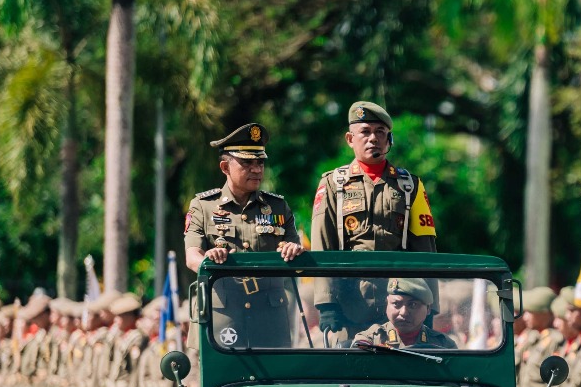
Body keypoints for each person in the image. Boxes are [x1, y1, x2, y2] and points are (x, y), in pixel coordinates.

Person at [311, 102, 438, 335]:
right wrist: (326, 303)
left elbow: (426, 250)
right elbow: (322, 246)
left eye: (380, 132)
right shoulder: (332, 184)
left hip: (400, 304)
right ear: (350, 139)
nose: (373, 138)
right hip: (347, 304)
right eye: (365, 132)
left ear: (389, 139)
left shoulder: (410, 185)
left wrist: (430, 306)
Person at [183, 123, 305, 349]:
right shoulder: (203, 206)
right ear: (225, 167)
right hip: (223, 315)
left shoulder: (278, 207)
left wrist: (292, 250)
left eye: (260, 162)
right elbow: (192, 256)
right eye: (247, 162)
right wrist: (210, 260)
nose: (257, 169)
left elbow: (296, 253)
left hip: (269, 318)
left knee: (274, 382)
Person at [352, 279, 457, 349]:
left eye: (413, 305)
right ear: (387, 304)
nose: (403, 312)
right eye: (396, 304)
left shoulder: (443, 344)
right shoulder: (371, 339)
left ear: (428, 309)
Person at [516, 287, 563, 387]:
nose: (525, 317)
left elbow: (554, 385)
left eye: (530, 312)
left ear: (544, 314)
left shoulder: (554, 341)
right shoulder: (534, 338)